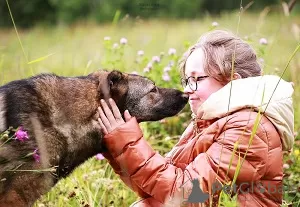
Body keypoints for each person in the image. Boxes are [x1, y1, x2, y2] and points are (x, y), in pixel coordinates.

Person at [97, 30, 294, 207]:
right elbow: (155, 189)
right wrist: (118, 147)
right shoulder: (208, 121)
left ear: (233, 81)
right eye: (187, 80)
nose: (187, 90)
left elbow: (188, 196)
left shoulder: (249, 127)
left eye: (197, 79)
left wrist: (127, 141)